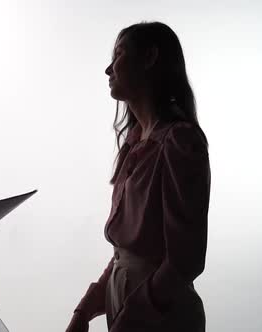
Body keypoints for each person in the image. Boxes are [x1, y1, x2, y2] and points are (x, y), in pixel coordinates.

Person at [65, 22, 211, 332]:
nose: (108, 69)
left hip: (163, 317)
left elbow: (186, 261)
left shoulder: (180, 142)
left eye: (118, 54)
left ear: (149, 58)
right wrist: (85, 309)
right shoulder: (134, 142)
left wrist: (133, 316)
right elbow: (125, 254)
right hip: (132, 308)